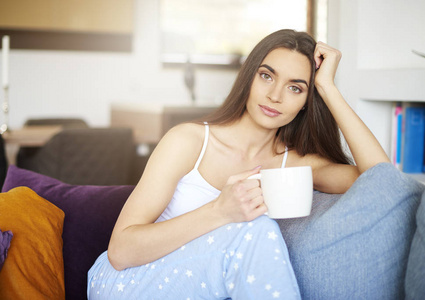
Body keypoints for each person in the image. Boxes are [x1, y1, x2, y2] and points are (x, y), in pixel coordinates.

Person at [87, 29, 390, 299]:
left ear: (306, 102)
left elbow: (382, 181)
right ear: (249, 77)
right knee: (255, 228)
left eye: (295, 88)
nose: (275, 95)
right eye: (267, 76)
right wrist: (220, 211)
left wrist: (328, 88)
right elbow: (121, 251)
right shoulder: (188, 141)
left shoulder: (296, 163)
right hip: (126, 282)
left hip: (210, 284)